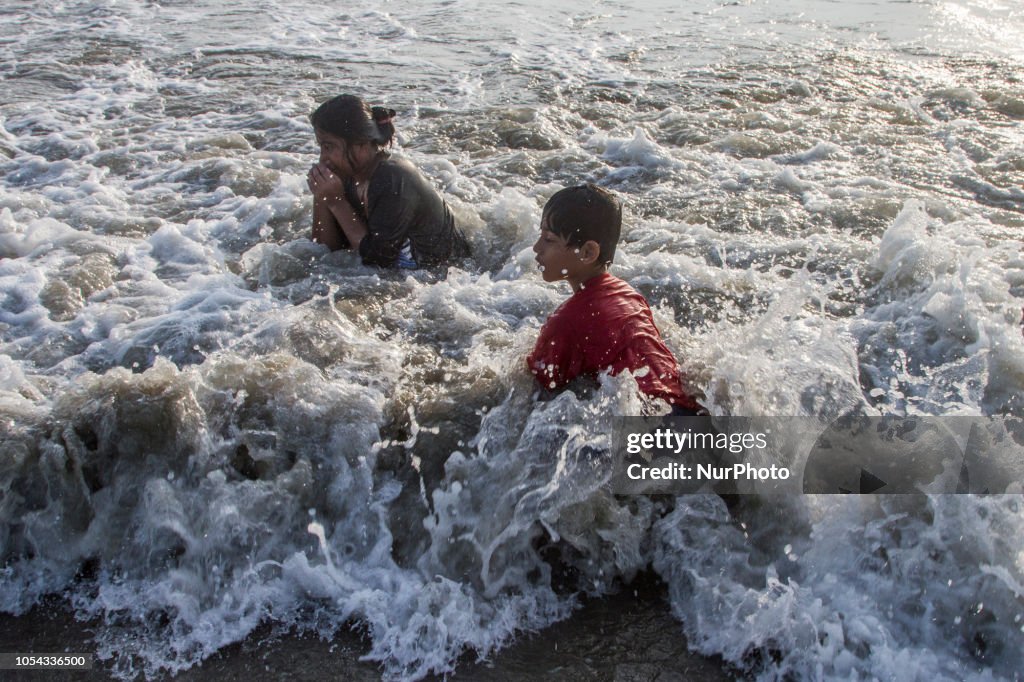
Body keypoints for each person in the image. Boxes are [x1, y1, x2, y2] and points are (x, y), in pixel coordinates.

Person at [526, 184, 704, 414]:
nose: (536, 247)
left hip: (649, 425)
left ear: (588, 252)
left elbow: (536, 387)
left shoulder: (566, 321)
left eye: (549, 239)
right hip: (686, 412)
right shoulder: (628, 294)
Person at [306, 94, 470, 268]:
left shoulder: (392, 179)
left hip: (450, 274)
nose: (323, 158)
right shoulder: (347, 175)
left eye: (328, 147)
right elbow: (325, 252)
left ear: (361, 144)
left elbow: (377, 260)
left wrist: (337, 202)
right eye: (321, 147)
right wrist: (323, 196)